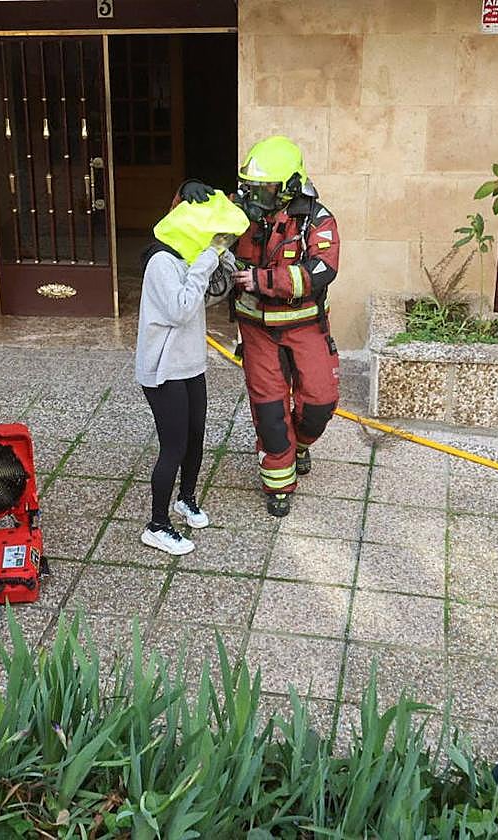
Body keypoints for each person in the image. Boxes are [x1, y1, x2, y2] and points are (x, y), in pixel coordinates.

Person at [178, 136, 341, 518]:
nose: (254, 196)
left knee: (320, 403)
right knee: (269, 411)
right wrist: (187, 192)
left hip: (306, 327)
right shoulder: (238, 209)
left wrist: (262, 281)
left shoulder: (317, 219)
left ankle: (299, 445)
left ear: (288, 188)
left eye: (264, 189)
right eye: (250, 187)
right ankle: (278, 483)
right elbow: (187, 223)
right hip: (256, 330)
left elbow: (322, 271)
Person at [136, 192, 249, 555]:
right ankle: (157, 525)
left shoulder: (189, 258)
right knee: (174, 447)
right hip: (163, 370)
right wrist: (207, 257)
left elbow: (210, 292)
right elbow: (182, 310)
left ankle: (185, 500)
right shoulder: (161, 263)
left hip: (190, 364)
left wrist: (223, 253)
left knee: (196, 437)